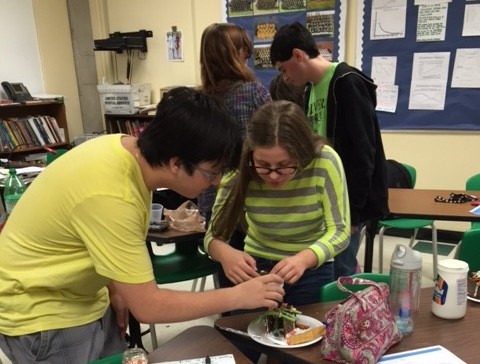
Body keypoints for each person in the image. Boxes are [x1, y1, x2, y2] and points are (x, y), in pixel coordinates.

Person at [0, 87, 284, 363]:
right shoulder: (113, 194)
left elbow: (89, 232)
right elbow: (149, 306)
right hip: (41, 313)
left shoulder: (125, 151)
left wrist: (116, 286)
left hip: (82, 295)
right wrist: (237, 296)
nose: (217, 181)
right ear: (175, 163)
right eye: (212, 172)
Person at [270, 22, 389, 278]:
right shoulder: (311, 89)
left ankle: (346, 317)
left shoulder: (346, 82)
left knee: (341, 273)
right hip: (328, 199)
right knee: (329, 268)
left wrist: (354, 214)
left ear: (298, 55)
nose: (285, 77)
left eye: (283, 69)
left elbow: (363, 153)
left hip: (349, 204)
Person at [204, 100, 350, 307]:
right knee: (249, 335)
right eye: (263, 165)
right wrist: (225, 254)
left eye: (284, 165)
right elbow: (212, 235)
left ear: (302, 154)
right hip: (256, 268)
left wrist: (303, 259)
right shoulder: (241, 167)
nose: (273, 176)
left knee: (307, 335)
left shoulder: (324, 161)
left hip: (310, 268)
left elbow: (340, 231)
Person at [198, 23, 271, 287]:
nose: (248, 57)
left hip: (212, 200)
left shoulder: (199, 100)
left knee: (227, 275)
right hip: (252, 201)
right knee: (256, 277)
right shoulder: (254, 93)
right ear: (233, 54)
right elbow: (273, 140)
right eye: (243, 51)